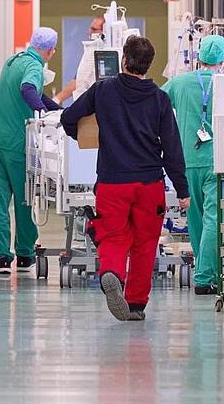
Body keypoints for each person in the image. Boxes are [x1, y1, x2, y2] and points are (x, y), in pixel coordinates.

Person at [60, 36, 190, 321]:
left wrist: (84, 136)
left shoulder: (103, 90)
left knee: (113, 235)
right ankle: (135, 305)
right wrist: (182, 189)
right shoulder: (159, 99)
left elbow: (68, 117)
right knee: (145, 243)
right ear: (148, 65)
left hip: (112, 181)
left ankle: (111, 273)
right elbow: (172, 148)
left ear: (124, 60)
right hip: (149, 183)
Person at [0, 27, 62, 275]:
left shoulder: (13, 61)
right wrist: (43, 116)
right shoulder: (34, 66)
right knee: (24, 200)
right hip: (16, 146)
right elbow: (28, 89)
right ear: (50, 50)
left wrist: (57, 110)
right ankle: (25, 255)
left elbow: (34, 94)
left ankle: (1, 259)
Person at [161, 35, 224, 295]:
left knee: (196, 218)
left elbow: (155, 105)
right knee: (213, 218)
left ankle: (203, 270)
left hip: (186, 160)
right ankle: (204, 276)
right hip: (217, 161)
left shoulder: (178, 83)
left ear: (199, 56)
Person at [52, 16, 105, 105]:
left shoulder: (105, 53)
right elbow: (78, 80)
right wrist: (57, 99)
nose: (89, 32)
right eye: (90, 28)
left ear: (104, 32)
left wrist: (57, 99)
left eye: (94, 29)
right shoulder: (90, 52)